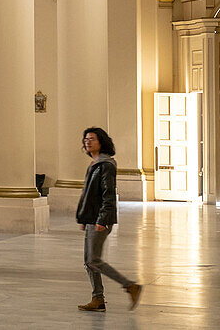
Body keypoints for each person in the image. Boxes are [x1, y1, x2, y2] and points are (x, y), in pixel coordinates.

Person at [75, 127, 142, 313]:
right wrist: (84, 217)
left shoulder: (106, 165)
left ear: (101, 142)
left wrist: (102, 220)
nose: (87, 142)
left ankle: (130, 286)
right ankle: (97, 299)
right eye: (86, 139)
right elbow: (88, 195)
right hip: (92, 218)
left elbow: (108, 194)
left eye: (92, 139)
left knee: (94, 260)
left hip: (100, 219)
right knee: (89, 261)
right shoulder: (94, 163)